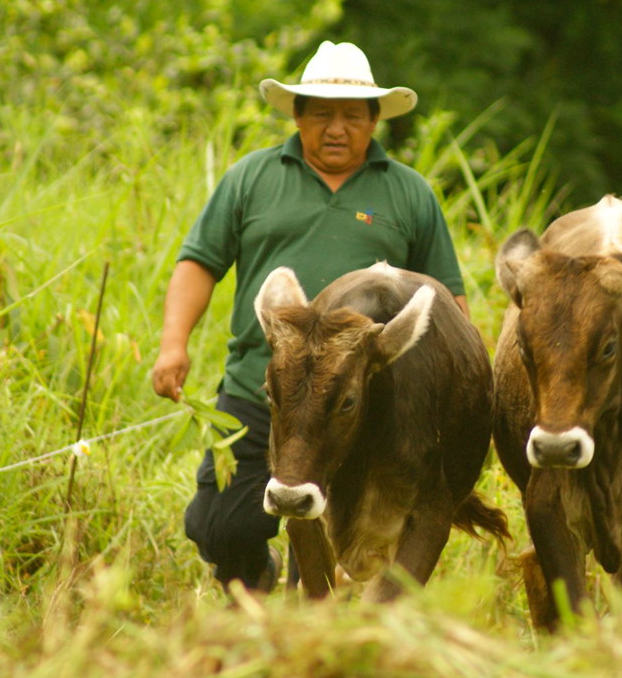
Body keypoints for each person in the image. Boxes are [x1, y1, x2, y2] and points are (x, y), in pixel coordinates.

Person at [150, 40, 469, 593]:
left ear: (375, 120)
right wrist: (174, 343)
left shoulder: (409, 193)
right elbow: (199, 262)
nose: (337, 128)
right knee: (221, 526)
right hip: (261, 389)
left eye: (351, 115)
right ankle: (253, 573)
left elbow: (447, 302)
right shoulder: (251, 179)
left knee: (330, 532)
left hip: (362, 405)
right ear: (297, 116)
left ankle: (313, 619)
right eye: (321, 113)